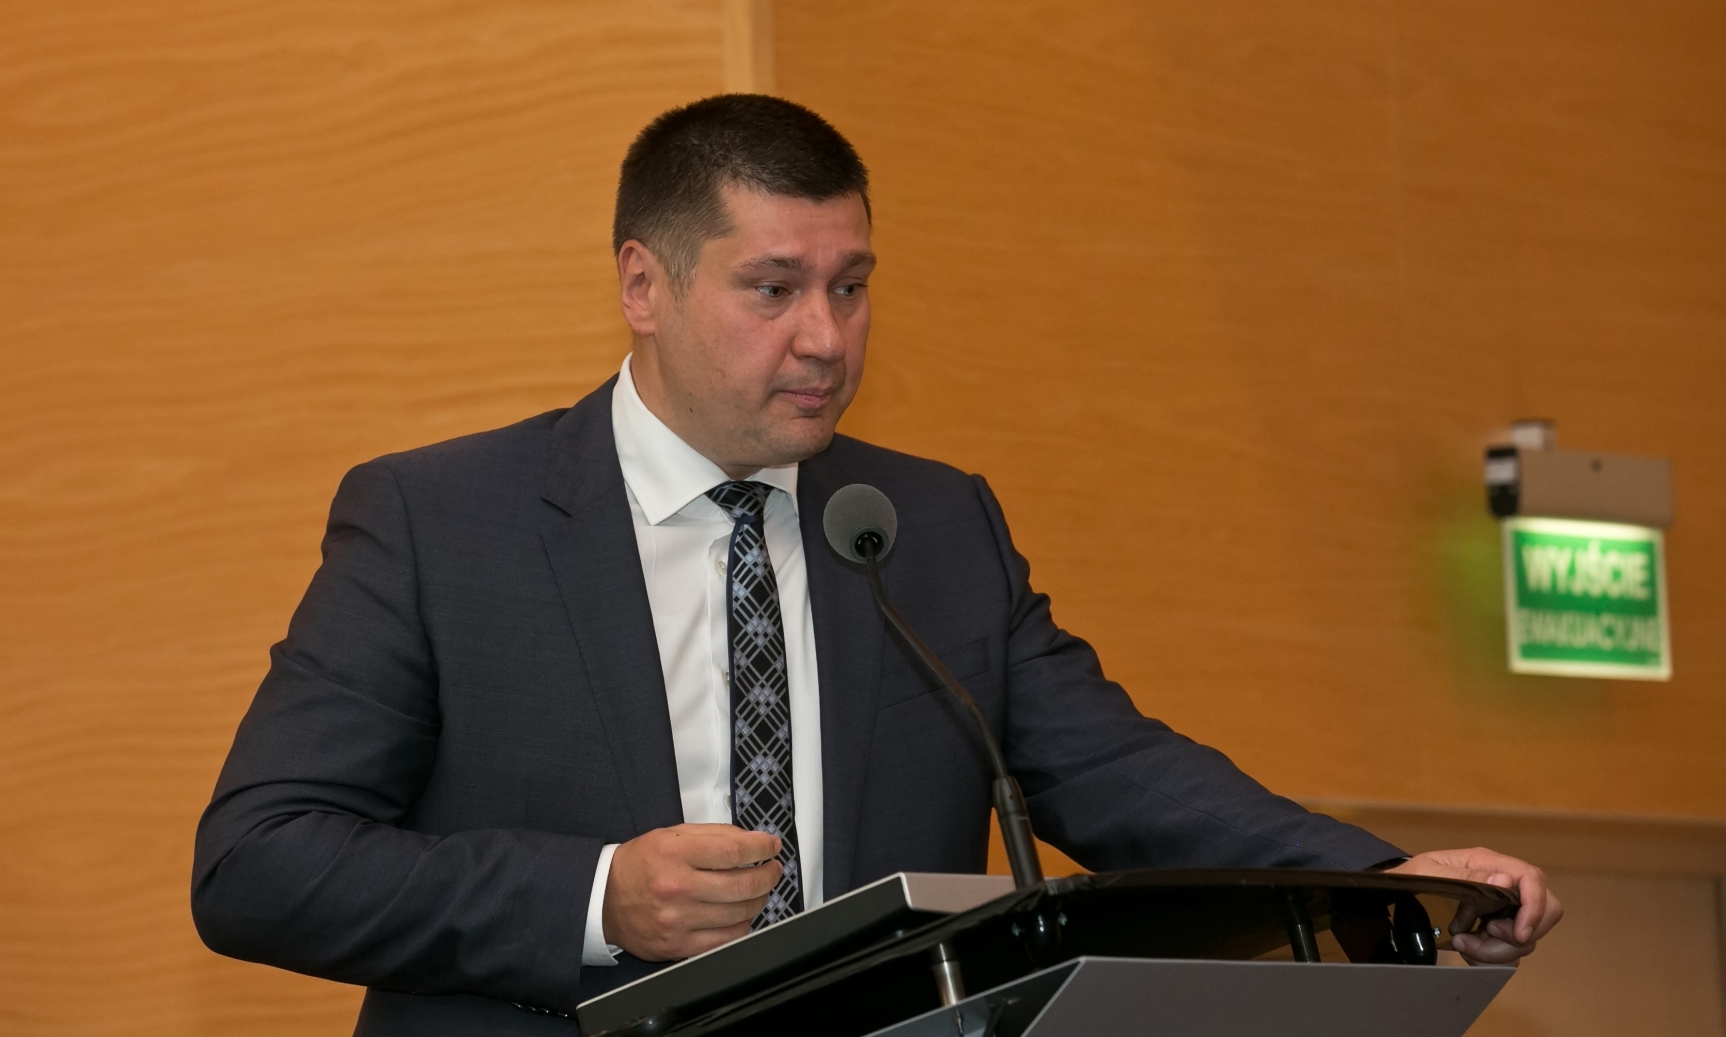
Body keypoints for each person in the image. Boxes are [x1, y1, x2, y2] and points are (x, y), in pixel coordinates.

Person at [193, 94, 1563, 1036]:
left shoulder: (925, 524)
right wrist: (598, 899)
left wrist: (1388, 882)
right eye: (773, 288)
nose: (826, 337)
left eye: (851, 287)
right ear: (643, 286)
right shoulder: (443, 521)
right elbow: (261, 863)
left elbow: (1122, 774)